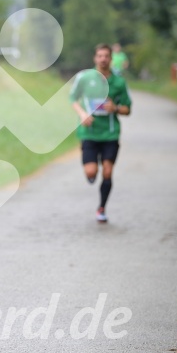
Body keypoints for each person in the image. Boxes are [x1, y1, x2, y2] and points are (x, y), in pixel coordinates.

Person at [69, 43, 132, 223]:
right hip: (89, 132)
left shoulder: (119, 82)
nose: (103, 59)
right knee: (91, 172)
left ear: (111, 59)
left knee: (107, 172)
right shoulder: (84, 77)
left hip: (110, 134)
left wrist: (116, 108)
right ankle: (91, 174)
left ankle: (102, 208)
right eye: (100, 56)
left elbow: (128, 109)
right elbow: (73, 98)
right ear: (95, 58)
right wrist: (82, 114)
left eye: (106, 56)